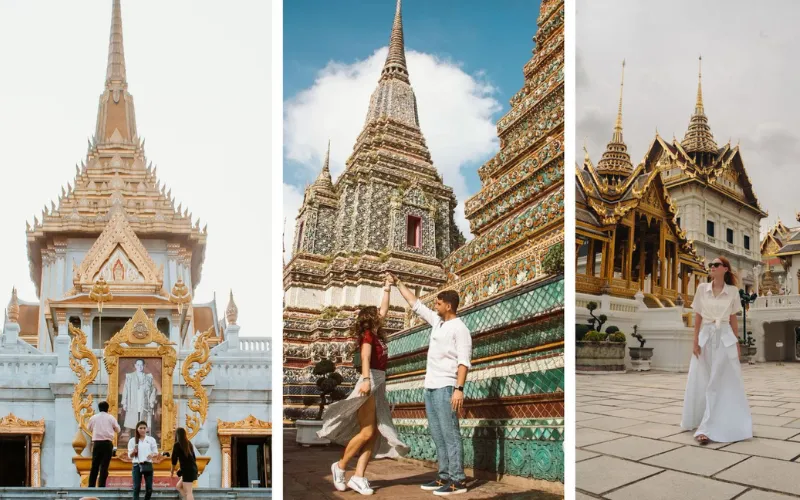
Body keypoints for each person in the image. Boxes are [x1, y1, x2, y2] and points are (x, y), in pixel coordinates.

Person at [318, 274, 409, 496]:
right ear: (370, 319)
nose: (381, 316)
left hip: (378, 382)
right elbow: (366, 358)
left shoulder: (377, 335)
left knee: (374, 433)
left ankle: (358, 477)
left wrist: (387, 287)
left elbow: (384, 309)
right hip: (370, 381)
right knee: (367, 432)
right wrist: (367, 381)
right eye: (377, 315)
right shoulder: (368, 336)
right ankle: (340, 466)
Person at [390, 273, 472, 496]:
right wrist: (397, 282)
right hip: (431, 387)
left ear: (448, 305)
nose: (434, 305)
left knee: (450, 434)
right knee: (438, 434)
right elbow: (414, 304)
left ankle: (458, 480)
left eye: (437, 302)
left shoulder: (460, 328)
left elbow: (464, 362)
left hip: (447, 387)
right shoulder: (438, 322)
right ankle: (444, 476)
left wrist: (459, 389)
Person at [681, 256, 753, 445]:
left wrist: (737, 343)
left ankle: (713, 425)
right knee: (703, 380)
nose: (712, 267)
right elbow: (697, 317)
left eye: (716, 265)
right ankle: (702, 421)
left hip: (725, 338)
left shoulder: (733, 292)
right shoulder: (702, 289)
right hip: (706, 337)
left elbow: (733, 319)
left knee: (723, 381)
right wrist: (695, 342)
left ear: (725, 269)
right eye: (710, 265)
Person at [87, 400, 121, 487]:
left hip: (97, 443)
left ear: (99, 408)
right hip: (107, 444)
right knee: (104, 466)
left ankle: (91, 486)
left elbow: (89, 428)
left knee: (94, 465)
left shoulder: (93, 418)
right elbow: (118, 430)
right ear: (107, 408)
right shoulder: (111, 418)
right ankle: (101, 486)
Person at [122, 359, 157, 432]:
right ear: (135, 366)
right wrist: (124, 403)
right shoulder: (130, 377)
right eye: (138, 365)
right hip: (133, 403)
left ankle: (142, 440)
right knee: (133, 425)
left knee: (143, 424)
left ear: (144, 366)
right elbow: (125, 390)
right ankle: (133, 441)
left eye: (141, 365)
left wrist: (151, 401)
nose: (140, 367)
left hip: (144, 403)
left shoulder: (148, 377)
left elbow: (153, 390)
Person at [128, 420, 158, 500]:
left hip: (147, 465)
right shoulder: (132, 440)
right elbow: (130, 456)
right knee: (136, 487)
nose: (142, 430)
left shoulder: (151, 440)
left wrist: (151, 455)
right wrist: (133, 452)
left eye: (144, 428)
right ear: (137, 429)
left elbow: (155, 452)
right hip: (136, 465)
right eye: (140, 428)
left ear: (147, 429)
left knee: (149, 489)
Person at [171, 427, 199, 500]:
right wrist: (181, 468)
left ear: (177, 435)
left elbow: (174, 460)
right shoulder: (189, 443)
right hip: (192, 469)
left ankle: (188, 498)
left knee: (189, 492)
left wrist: (171, 472)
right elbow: (193, 458)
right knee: (178, 486)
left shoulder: (177, 444)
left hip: (187, 471)